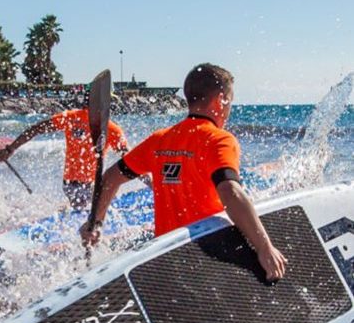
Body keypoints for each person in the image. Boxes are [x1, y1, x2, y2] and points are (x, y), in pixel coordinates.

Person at [80, 63, 287, 281]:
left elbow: (110, 179)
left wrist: (96, 221)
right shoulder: (219, 140)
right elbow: (230, 192)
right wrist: (265, 247)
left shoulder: (160, 139)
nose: (229, 111)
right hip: (208, 255)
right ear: (221, 100)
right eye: (230, 102)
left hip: (167, 258)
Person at [0, 98, 129, 210]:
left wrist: (10, 149)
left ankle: (64, 211)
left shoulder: (71, 117)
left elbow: (35, 129)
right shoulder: (112, 129)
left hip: (69, 183)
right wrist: (148, 180)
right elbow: (129, 160)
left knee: (83, 207)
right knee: (92, 208)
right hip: (90, 184)